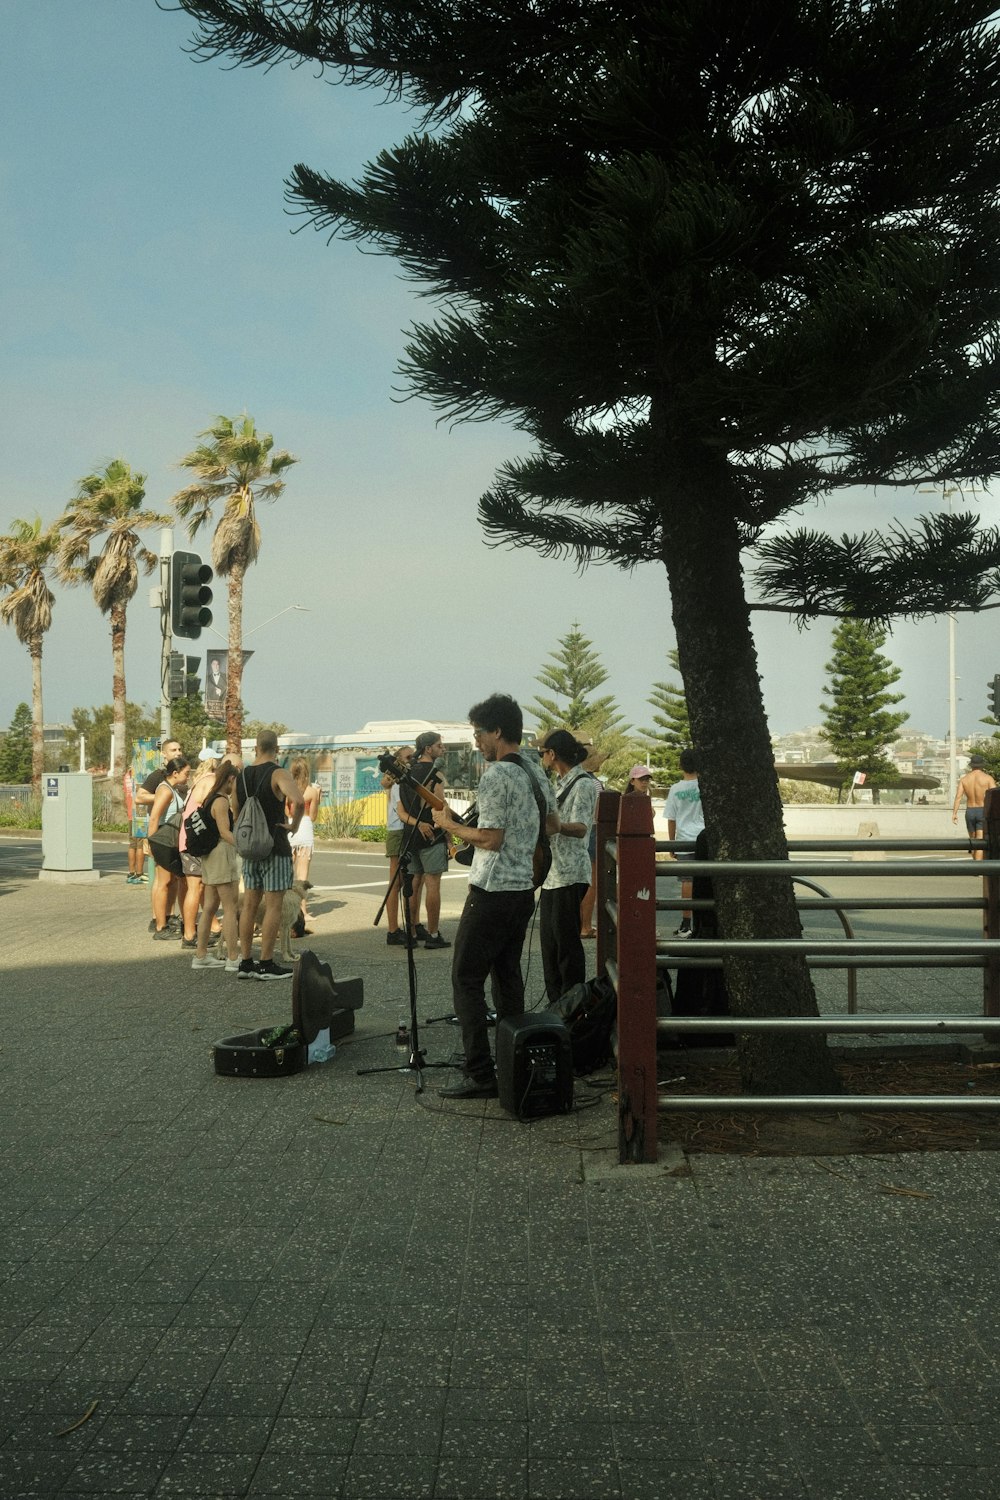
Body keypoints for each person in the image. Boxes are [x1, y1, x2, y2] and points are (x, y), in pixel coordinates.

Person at [431, 693, 558, 1099]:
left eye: (478, 733)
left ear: (497, 731)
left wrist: (449, 826)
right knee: (507, 978)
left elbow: (490, 838)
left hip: (491, 891)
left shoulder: (497, 775)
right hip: (523, 890)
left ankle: (480, 1073)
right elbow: (551, 824)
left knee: (466, 979)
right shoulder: (537, 771)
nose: (476, 742)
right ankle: (513, 1061)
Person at [235, 730, 304, 980]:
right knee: (274, 905)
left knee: (250, 905)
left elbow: (236, 809)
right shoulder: (278, 772)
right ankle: (266, 963)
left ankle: (245, 962)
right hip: (274, 846)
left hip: (250, 847)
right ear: (276, 748)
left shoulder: (242, 776)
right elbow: (299, 800)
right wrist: (294, 826)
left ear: (256, 747)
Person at [539, 730, 600, 1001]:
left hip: (571, 872)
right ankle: (555, 1005)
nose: (542, 758)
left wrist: (556, 826)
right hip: (552, 873)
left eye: (543, 753)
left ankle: (572, 1005)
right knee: (549, 945)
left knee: (567, 946)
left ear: (553, 754)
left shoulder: (583, 784)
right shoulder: (560, 782)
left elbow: (581, 828)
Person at [397, 729, 451, 949]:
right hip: (431, 836)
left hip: (410, 836)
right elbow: (441, 807)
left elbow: (400, 811)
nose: (443, 748)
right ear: (429, 749)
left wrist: (416, 824)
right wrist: (449, 838)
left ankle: (410, 933)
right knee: (432, 884)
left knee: (413, 884)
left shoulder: (405, 774)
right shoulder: (434, 774)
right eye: (440, 745)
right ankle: (433, 933)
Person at [191, 759, 241, 972]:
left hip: (209, 856)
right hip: (221, 854)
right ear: (230, 779)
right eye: (235, 782)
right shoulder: (221, 801)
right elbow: (224, 831)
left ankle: (200, 955)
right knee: (229, 907)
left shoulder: (210, 798)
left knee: (210, 906)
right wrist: (245, 846)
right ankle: (233, 958)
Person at [177, 748, 219, 949]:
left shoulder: (197, 780)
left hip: (187, 839)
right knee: (196, 888)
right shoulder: (210, 780)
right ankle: (189, 935)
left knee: (199, 887)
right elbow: (208, 807)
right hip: (196, 841)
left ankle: (210, 927)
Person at [147, 756, 191, 939]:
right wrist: (151, 843)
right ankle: (160, 927)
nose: (188, 777)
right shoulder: (165, 791)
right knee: (163, 883)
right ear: (175, 773)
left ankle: (163, 919)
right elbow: (155, 817)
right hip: (163, 840)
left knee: (168, 881)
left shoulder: (171, 789)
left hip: (168, 840)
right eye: (186, 773)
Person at [665, 749, 704, 936]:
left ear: (680, 765)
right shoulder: (705, 787)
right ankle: (704, 924)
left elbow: (671, 819)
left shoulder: (675, 789)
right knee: (706, 881)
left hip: (684, 840)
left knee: (687, 881)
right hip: (704, 839)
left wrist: (672, 843)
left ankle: (686, 924)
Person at [381, 744, 415, 946]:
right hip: (397, 830)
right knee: (395, 881)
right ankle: (392, 928)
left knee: (404, 881)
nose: (412, 759)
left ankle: (400, 926)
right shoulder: (395, 782)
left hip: (402, 829)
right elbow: (385, 782)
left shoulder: (404, 780)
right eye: (408, 757)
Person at [288, 756, 321, 924]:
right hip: (305, 828)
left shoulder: (288, 790)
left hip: (290, 829)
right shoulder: (312, 792)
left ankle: (286, 908)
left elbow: (286, 813)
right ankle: (303, 912)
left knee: (287, 873)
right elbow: (313, 816)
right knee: (302, 875)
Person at [953, 753, 998, 860]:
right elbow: (995, 797)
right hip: (982, 811)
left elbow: (958, 797)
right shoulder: (988, 779)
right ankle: (978, 867)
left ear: (971, 765)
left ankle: (975, 864)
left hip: (970, 812)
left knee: (973, 840)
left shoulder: (964, 779)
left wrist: (954, 813)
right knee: (980, 841)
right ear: (982, 765)